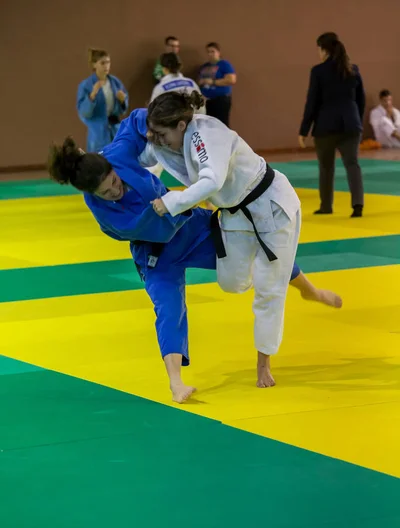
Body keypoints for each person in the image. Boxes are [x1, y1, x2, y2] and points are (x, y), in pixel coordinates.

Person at [48, 118, 341, 400]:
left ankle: (308, 289)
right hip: (155, 252)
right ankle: (176, 383)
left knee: (258, 248)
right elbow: (147, 226)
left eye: (114, 181)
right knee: (169, 308)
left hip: (191, 228)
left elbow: (135, 122)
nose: (115, 191)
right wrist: (183, 200)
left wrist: (150, 128)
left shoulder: (116, 153)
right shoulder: (104, 213)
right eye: (106, 192)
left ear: (112, 166)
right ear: (92, 194)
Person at [140, 91, 301, 388]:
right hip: (234, 214)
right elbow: (139, 154)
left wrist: (172, 202)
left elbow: (211, 181)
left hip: (272, 205)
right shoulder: (170, 141)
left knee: (269, 291)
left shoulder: (207, 135)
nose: (158, 140)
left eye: (162, 134)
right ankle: (275, 270)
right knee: (232, 283)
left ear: (181, 126)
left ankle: (263, 363)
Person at [299, 32, 365, 218]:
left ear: (324, 50)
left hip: (325, 126)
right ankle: (358, 205)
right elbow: (360, 100)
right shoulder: (353, 69)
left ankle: (326, 205)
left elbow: (312, 102)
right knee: (352, 164)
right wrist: (356, 120)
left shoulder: (318, 71)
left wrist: (304, 129)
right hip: (351, 124)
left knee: (326, 167)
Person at [77, 48, 129, 153]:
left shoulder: (115, 82)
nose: (106, 66)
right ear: (94, 65)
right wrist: (92, 95)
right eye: (103, 63)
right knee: (100, 163)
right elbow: (83, 112)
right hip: (98, 133)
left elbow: (122, 109)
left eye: (108, 62)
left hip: (115, 129)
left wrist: (122, 100)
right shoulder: (86, 85)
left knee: (118, 160)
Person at [198, 43, 236, 127]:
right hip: (206, 101)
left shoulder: (224, 64)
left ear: (218, 52)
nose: (210, 54)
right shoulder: (205, 66)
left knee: (221, 125)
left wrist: (212, 82)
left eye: (213, 51)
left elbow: (231, 80)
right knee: (208, 126)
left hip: (220, 100)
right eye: (208, 52)